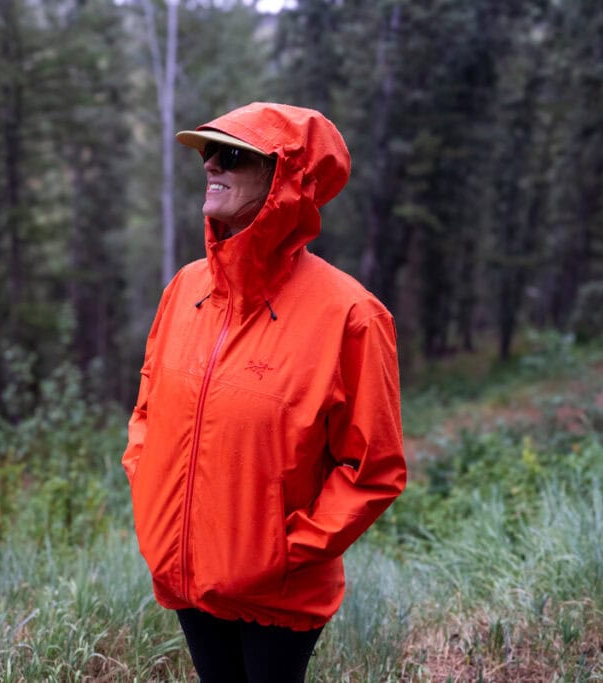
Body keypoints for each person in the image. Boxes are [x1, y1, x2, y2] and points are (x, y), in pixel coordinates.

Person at [122, 102, 406, 682]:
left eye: (232, 155)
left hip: (280, 597)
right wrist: (155, 507)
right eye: (207, 152)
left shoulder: (351, 315)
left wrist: (282, 552)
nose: (210, 165)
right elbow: (147, 414)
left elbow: (373, 468)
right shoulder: (184, 290)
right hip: (187, 577)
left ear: (286, 181)